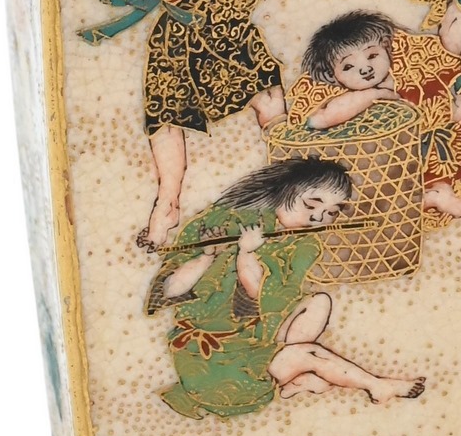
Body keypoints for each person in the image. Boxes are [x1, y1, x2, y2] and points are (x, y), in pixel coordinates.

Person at [132, 0, 331, 251]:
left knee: (269, 97)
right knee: (167, 121)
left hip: (233, 38)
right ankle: (167, 204)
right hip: (181, 42)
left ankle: (290, 186)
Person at [147, 157, 425, 418]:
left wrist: (247, 254)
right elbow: (171, 291)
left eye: (331, 212)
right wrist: (208, 256)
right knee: (308, 355)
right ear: (284, 192)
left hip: (255, 334)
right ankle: (376, 385)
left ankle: (290, 376)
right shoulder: (222, 220)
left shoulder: (305, 244)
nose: (318, 218)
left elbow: (268, 302)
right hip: (214, 358)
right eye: (311, 205)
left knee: (318, 303)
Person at [288, 11, 461, 246]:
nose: (365, 69)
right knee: (379, 204)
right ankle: (435, 198)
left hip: (458, 153)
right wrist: (372, 95)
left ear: (387, 48)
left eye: (372, 56)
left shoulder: (414, 73)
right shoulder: (345, 99)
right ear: (332, 76)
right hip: (409, 174)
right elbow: (315, 121)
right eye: (348, 67)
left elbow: (457, 106)